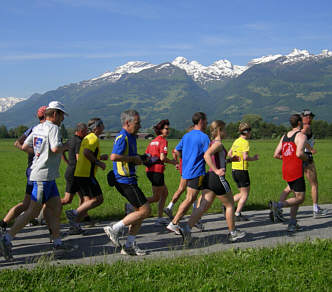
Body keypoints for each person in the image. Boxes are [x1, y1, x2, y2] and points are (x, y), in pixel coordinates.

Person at [0, 101, 70, 261]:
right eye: (61, 115)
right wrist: (66, 146)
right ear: (54, 114)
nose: (62, 119)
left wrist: (38, 153)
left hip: (47, 176)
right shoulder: (54, 128)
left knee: (55, 207)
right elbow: (54, 148)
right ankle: (6, 239)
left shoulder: (38, 128)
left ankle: (57, 242)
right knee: (32, 211)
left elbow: (24, 146)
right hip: (43, 177)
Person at [180, 120, 246, 244]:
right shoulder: (218, 144)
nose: (226, 132)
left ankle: (187, 228)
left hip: (209, 178)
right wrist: (216, 170)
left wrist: (229, 160)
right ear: (220, 130)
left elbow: (217, 160)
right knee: (230, 205)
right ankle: (233, 233)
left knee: (203, 206)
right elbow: (206, 156)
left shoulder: (212, 143)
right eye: (225, 129)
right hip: (217, 178)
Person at [103, 110, 151, 256]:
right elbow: (114, 156)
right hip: (125, 180)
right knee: (145, 211)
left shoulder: (131, 137)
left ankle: (129, 245)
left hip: (129, 178)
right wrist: (132, 159)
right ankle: (114, 228)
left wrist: (141, 158)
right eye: (137, 123)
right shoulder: (122, 137)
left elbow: (129, 156)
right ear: (127, 123)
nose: (139, 126)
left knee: (139, 213)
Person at [0, 106, 46, 232]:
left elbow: (17, 143)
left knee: (28, 204)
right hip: (37, 170)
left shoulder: (34, 129)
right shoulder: (39, 129)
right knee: (49, 202)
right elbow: (18, 143)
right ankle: (54, 235)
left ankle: (4, 223)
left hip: (34, 169)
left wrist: (31, 151)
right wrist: (36, 153)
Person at [277, 110, 328, 220]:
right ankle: (315, 208)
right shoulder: (306, 128)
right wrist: (311, 149)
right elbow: (302, 139)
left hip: (296, 159)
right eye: (308, 117)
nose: (310, 119)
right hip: (305, 157)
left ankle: (278, 208)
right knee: (314, 184)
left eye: (311, 117)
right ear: (303, 119)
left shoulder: (292, 132)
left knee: (290, 187)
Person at [167, 112, 210, 234]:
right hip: (197, 172)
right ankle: (175, 223)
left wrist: (181, 162)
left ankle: (193, 219)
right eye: (206, 121)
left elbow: (176, 150)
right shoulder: (204, 137)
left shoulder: (186, 136)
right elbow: (208, 155)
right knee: (190, 198)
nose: (207, 123)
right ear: (201, 121)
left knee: (195, 197)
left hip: (186, 171)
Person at [65, 118, 108, 234]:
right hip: (86, 174)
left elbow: (86, 155)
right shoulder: (93, 138)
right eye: (102, 125)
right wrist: (99, 163)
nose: (104, 127)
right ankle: (74, 213)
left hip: (80, 173)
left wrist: (99, 158)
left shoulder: (87, 137)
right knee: (98, 199)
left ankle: (75, 225)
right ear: (96, 127)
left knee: (87, 201)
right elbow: (86, 153)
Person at [269, 114, 308, 232]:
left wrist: (287, 158)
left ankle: (292, 223)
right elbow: (299, 154)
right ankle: (278, 206)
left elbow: (276, 154)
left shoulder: (284, 136)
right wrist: (307, 158)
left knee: (296, 196)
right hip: (296, 169)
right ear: (300, 123)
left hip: (286, 169)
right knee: (300, 198)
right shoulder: (301, 136)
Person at [145, 119, 176, 226]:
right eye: (166, 129)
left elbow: (147, 156)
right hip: (157, 171)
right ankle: (131, 205)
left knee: (164, 193)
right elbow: (162, 158)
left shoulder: (152, 141)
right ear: (161, 130)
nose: (168, 131)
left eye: (168, 129)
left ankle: (159, 217)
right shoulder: (163, 141)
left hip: (150, 171)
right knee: (156, 197)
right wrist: (172, 161)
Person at [228, 122, 259, 221]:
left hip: (234, 170)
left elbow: (229, 153)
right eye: (250, 131)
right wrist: (253, 158)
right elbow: (245, 157)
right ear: (247, 132)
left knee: (242, 192)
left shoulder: (236, 141)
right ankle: (237, 213)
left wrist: (236, 157)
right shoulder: (245, 142)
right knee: (245, 193)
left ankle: (227, 204)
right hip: (242, 170)